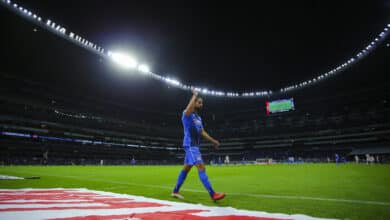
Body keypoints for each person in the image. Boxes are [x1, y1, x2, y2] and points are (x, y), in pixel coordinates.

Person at [172, 90, 225, 201]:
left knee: (186, 169)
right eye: (199, 102)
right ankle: (213, 194)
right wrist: (194, 95)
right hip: (190, 145)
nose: (202, 104)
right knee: (201, 167)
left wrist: (213, 141)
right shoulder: (186, 115)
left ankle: (175, 191)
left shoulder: (198, 119)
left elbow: (202, 132)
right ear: (194, 102)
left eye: (202, 102)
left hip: (195, 146)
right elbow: (188, 110)